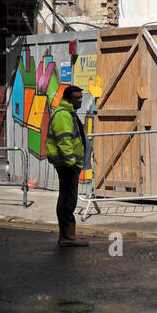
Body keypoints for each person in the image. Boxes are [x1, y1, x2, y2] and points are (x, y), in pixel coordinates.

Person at [47, 85, 89, 248]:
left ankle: (67, 235)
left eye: (81, 97)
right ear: (68, 98)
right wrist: (71, 163)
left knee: (68, 198)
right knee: (67, 199)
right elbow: (64, 141)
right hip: (67, 165)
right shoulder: (63, 115)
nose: (80, 100)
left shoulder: (69, 113)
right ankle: (67, 236)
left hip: (70, 164)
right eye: (77, 97)